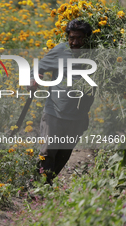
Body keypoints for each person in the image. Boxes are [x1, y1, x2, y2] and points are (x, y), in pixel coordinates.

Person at [28, 19, 95, 185]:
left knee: (64, 154)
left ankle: (45, 184)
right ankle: (38, 186)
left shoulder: (96, 54)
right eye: (72, 37)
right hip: (54, 111)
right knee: (48, 150)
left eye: (79, 38)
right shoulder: (61, 50)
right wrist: (34, 77)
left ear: (87, 38)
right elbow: (38, 68)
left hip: (79, 115)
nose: (75, 42)